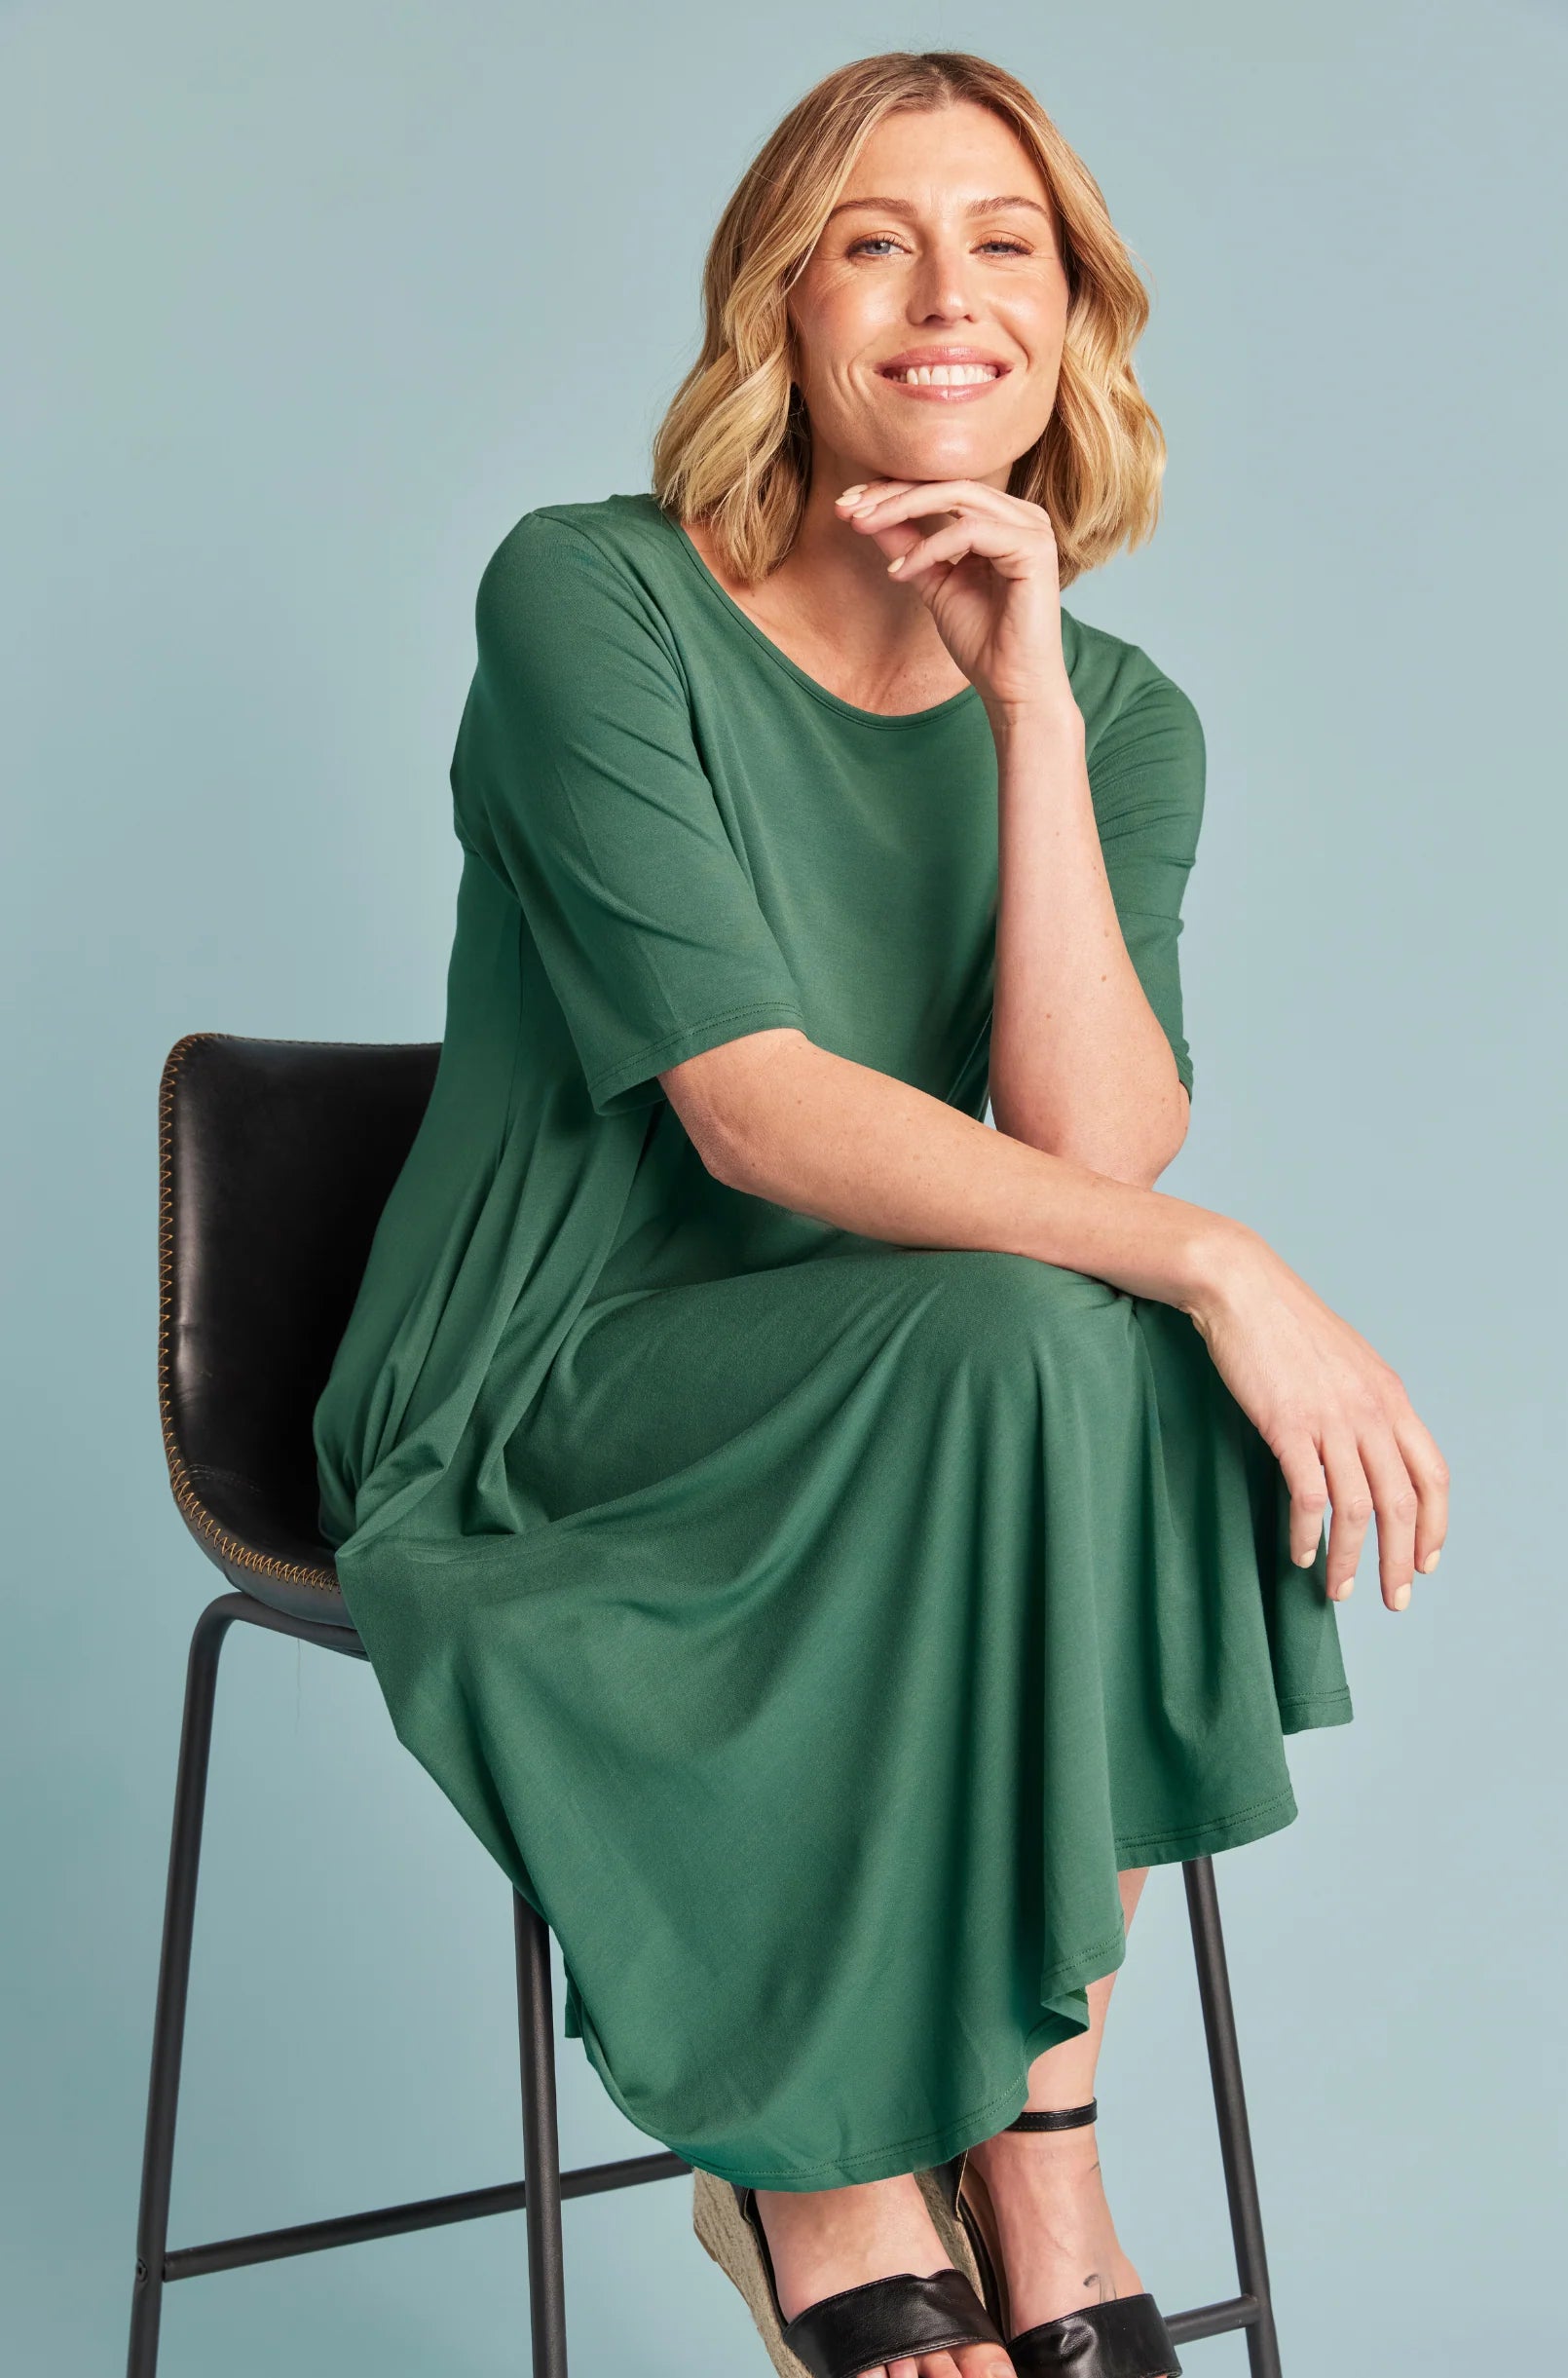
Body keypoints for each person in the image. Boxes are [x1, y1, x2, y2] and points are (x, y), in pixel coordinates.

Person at [312, 47, 1448, 2378]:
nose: (949, 299)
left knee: (1082, 1333)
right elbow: (747, 1112)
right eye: (874, 243)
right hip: (551, 1377)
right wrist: (1233, 1266)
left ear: (1072, 318)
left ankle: (1037, 2154)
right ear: (782, 307)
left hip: (905, 1378)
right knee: (1117, 1322)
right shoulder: (592, 599)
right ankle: (811, 2168)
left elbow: (1086, 1153)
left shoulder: (1120, 716)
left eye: (1005, 248)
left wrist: (1025, 707)